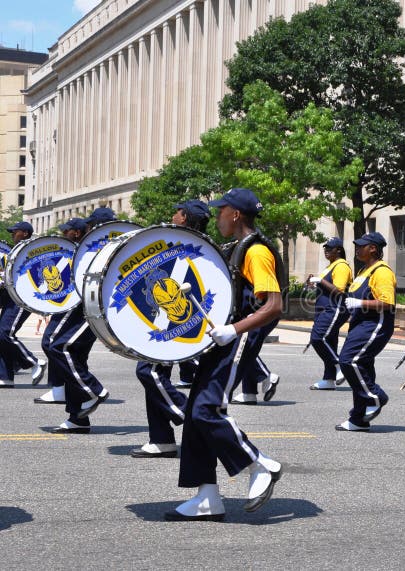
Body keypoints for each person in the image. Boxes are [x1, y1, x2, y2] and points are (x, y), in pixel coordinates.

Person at [166, 188, 283, 521]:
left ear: (235, 214)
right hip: (225, 337)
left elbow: (273, 305)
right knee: (194, 412)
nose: (217, 217)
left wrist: (234, 330)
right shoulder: (237, 249)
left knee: (207, 408)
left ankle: (260, 465)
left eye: (221, 211)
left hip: (241, 337)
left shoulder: (256, 251)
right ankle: (207, 496)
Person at [130, 200, 209, 459]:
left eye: (177, 211)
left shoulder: (183, 246)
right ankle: (161, 439)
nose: (173, 214)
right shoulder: (197, 245)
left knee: (148, 371)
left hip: (180, 322)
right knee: (153, 370)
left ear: (184, 217)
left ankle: (184, 412)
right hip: (172, 320)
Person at [47, 213, 111, 433]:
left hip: (97, 306)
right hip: (83, 304)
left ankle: (93, 391)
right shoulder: (83, 250)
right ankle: (78, 418)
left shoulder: (103, 246)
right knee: (73, 355)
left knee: (59, 347)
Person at [335, 232, 396, 432]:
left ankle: (375, 397)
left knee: (349, 360)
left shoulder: (382, 271)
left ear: (373, 249)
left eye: (362, 245)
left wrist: (360, 303)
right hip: (360, 325)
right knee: (363, 367)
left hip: (374, 325)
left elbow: (387, 303)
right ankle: (359, 419)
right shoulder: (364, 270)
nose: (357, 248)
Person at [0, 221, 47, 388]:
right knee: (1, 336)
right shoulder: (16, 251)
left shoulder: (30, 251)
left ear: (25, 233)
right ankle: (5, 376)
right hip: (10, 296)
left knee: (5, 333)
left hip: (20, 298)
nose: (12, 234)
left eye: (15, 231)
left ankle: (34, 363)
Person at [307, 237, 352, 390]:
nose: (326, 250)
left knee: (318, 338)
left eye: (330, 248)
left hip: (335, 308)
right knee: (329, 342)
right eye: (325, 248)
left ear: (338, 250)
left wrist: (320, 280)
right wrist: (314, 283)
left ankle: (341, 367)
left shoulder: (341, 266)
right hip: (325, 309)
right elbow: (326, 288)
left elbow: (338, 291)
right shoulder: (331, 266)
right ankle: (329, 379)